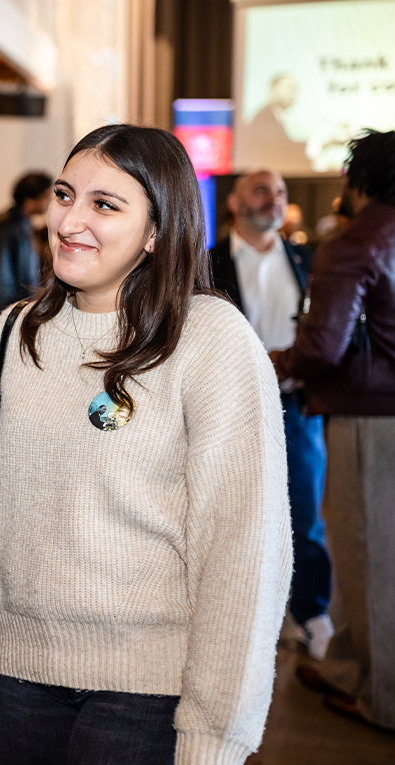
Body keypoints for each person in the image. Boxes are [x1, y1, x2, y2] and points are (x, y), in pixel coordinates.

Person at [0, 125, 292, 765]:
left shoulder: (211, 343)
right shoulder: (13, 334)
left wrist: (213, 748)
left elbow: (245, 557)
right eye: (65, 195)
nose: (70, 219)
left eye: (105, 204)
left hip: (146, 696)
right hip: (15, 680)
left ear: (157, 231)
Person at [271, 129, 395, 732]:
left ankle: (385, 699)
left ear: (360, 178)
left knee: (371, 558)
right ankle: (349, 667)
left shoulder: (355, 243)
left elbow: (322, 347)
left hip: (373, 415)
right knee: (369, 554)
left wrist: (272, 363)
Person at [209, 169, 332, 659]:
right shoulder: (209, 262)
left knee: (304, 509)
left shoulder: (307, 259)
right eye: (261, 190)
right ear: (236, 203)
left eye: (280, 192)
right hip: (231, 406)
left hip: (295, 406)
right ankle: (246, 615)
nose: (274, 199)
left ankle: (312, 613)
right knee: (236, 514)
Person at [0, 171, 53, 324]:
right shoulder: (4, 226)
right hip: (3, 316)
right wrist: (7, 317)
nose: (49, 201)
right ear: (32, 197)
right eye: (46, 196)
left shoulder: (23, 225)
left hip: (17, 311)